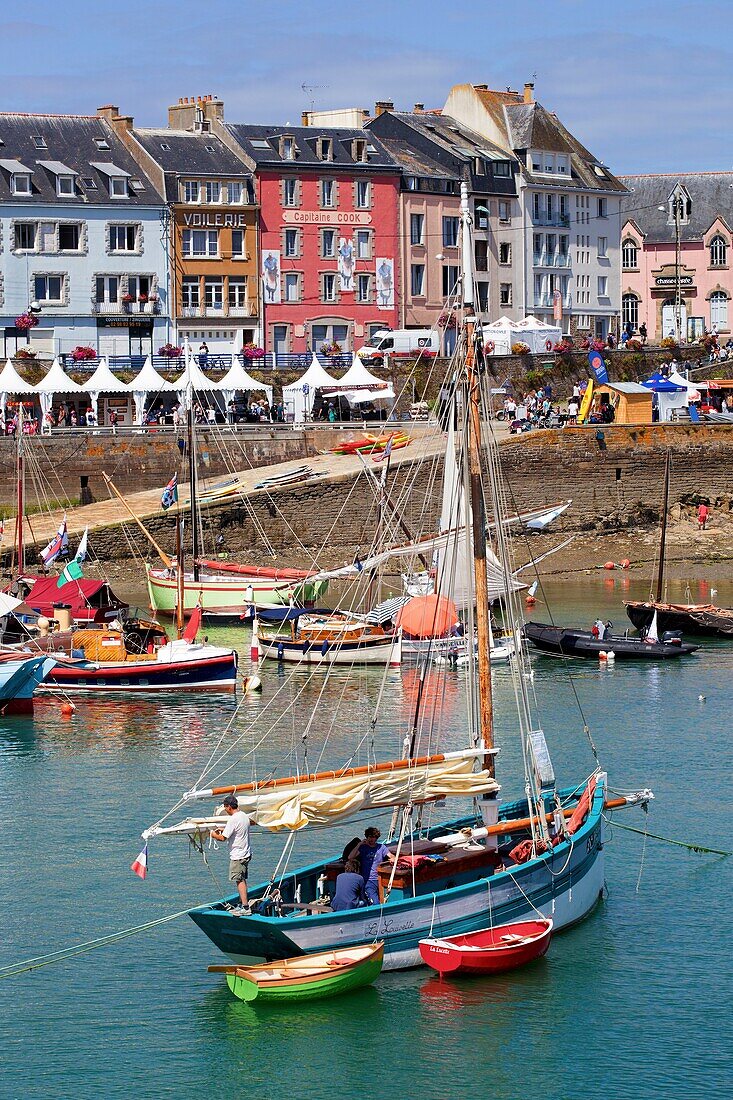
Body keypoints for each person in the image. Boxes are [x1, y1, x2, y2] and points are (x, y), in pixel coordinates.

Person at [210, 795, 253, 911]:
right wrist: (224, 830)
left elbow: (223, 838)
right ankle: (242, 903)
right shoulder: (244, 816)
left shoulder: (233, 819)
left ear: (229, 807)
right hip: (246, 853)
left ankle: (245, 906)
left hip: (238, 855)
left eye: (225, 808)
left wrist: (213, 835)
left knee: (239, 880)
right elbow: (237, 831)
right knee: (242, 879)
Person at [348, 827, 393, 905]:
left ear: (376, 838)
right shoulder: (363, 848)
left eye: (373, 837)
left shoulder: (381, 847)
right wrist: (359, 844)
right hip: (368, 880)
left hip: (380, 879)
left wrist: (393, 859)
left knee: (385, 899)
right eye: (369, 837)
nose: (371, 839)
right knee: (375, 902)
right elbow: (350, 857)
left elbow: (391, 856)